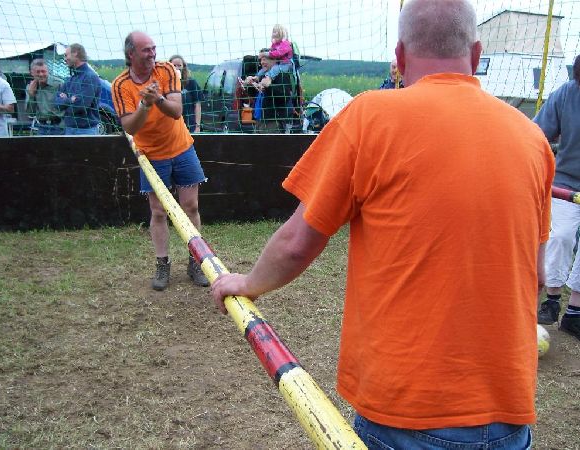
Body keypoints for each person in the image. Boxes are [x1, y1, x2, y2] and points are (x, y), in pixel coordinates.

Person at [211, 0, 554, 448]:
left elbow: (298, 242)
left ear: (399, 56)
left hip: (406, 412)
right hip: (508, 412)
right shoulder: (532, 138)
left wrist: (247, 282)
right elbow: (540, 273)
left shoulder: (369, 117)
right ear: (475, 55)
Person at [112, 31, 209, 290]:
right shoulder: (120, 86)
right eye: (146, 50)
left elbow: (176, 112)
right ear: (131, 54)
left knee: (191, 206)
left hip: (182, 148)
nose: (152, 54)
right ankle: (162, 264)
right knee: (158, 211)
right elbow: (130, 127)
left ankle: (195, 261)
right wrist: (145, 104)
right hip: (151, 156)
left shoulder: (167, 70)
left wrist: (159, 99)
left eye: (154, 48)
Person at [534, 54, 580, 340]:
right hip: (566, 181)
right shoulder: (566, 94)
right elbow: (537, 134)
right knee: (561, 235)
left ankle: (574, 313)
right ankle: (551, 300)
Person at [55, 43, 101, 135]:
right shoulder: (70, 79)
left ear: (75, 53)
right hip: (69, 130)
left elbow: (80, 106)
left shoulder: (90, 77)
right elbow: (56, 103)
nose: (65, 59)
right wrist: (70, 100)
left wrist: (65, 103)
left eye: (66, 55)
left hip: (86, 131)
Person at [245, 53, 293, 133]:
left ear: (274, 60)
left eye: (264, 59)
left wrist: (269, 86)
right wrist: (249, 85)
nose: (262, 62)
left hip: (273, 122)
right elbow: (255, 95)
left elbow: (285, 96)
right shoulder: (262, 76)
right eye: (260, 60)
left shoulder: (281, 75)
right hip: (259, 121)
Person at [244, 24, 293, 89]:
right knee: (263, 70)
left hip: (286, 65)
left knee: (274, 69)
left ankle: (266, 81)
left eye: (276, 32)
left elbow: (277, 53)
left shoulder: (286, 44)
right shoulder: (275, 44)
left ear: (282, 34)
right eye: (273, 32)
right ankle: (256, 78)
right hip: (279, 64)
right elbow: (271, 52)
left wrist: (265, 54)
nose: (274, 34)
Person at [25, 58, 65, 135]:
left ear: (48, 71)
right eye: (38, 72)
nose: (41, 74)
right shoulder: (30, 87)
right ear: (32, 73)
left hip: (59, 126)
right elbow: (30, 113)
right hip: (42, 127)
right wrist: (31, 95)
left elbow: (67, 106)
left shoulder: (59, 84)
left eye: (43, 71)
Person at [169, 55, 204, 133]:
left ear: (183, 67)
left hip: (189, 126)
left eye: (179, 65)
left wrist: (197, 126)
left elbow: (197, 104)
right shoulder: (166, 83)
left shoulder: (191, 82)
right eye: (174, 65)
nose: (177, 68)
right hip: (171, 127)